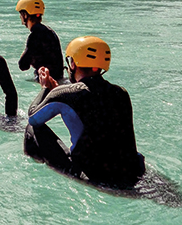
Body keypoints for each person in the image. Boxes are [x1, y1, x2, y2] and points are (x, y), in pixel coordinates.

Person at [24, 36, 145, 188]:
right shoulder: (121, 92)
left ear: (73, 64)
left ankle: (35, 182)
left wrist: (44, 89)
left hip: (92, 176)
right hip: (131, 173)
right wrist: (56, 93)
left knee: (32, 130)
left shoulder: (66, 93)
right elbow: (96, 111)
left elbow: (33, 118)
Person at [16, 0, 64, 82]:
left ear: (25, 15)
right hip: (58, 78)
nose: (20, 17)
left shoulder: (35, 36)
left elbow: (23, 65)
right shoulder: (50, 32)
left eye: (21, 14)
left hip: (46, 81)